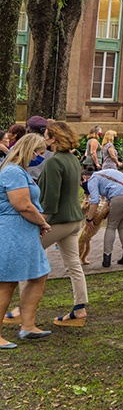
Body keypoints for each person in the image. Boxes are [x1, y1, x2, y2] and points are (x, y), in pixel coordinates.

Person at [28, 121, 91, 327]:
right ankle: (79, 308)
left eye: (46, 136)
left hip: (59, 221)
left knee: (27, 254)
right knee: (73, 264)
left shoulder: (55, 162)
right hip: (74, 220)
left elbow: (50, 200)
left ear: (54, 139)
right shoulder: (72, 159)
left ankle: (22, 309)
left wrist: (40, 224)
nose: (44, 139)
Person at [0, 133, 53, 345]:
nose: (40, 157)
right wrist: (42, 222)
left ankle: (28, 325)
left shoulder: (19, 171)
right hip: (12, 231)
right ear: (29, 150)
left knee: (38, 274)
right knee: (7, 282)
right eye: (39, 153)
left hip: (24, 231)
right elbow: (22, 204)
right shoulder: (12, 171)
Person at [84, 166, 123, 268]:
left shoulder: (92, 179)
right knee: (122, 225)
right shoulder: (107, 172)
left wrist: (89, 219)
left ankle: (107, 258)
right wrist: (102, 211)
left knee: (111, 226)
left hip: (120, 196)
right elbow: (109, 197)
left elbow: (95, 201)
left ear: (84, 177)